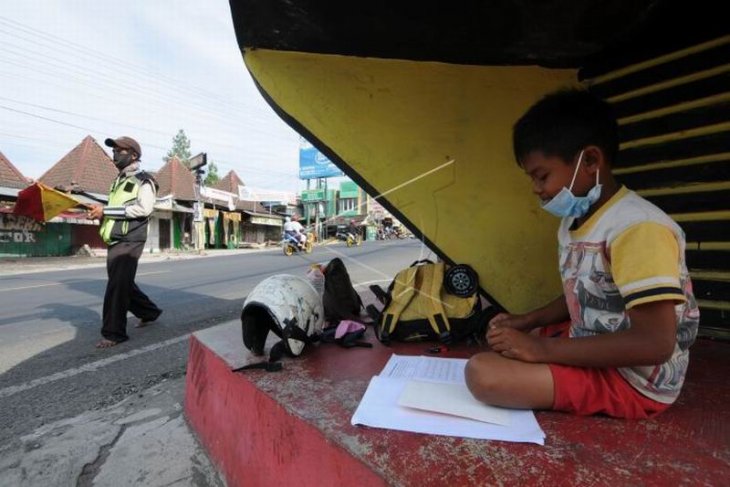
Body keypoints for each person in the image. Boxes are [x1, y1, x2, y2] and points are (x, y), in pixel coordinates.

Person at [465, 89, 699, 419]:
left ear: (590, 161)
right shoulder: (575, 221)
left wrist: (542, 348)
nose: (536, 188)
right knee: (511, 338)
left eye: (541, 175)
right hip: (594, 343)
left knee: (483, 374)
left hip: (632, 380)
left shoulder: (638, 229)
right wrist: (529, 320)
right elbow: (586, 291)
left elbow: (655, 343)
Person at [87, 136, 162, 348]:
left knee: (117, 285)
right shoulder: (118, 181)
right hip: (116, 238)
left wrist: (106, 210)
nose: (115, 155)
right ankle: (149, 312)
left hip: (131, 239)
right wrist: (100, 213)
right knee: (122, 281)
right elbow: (117, 210)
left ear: (133, 155)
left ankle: (114, 333)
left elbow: (144, 209)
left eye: (120, 151)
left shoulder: (144, 180)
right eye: (114, 151)